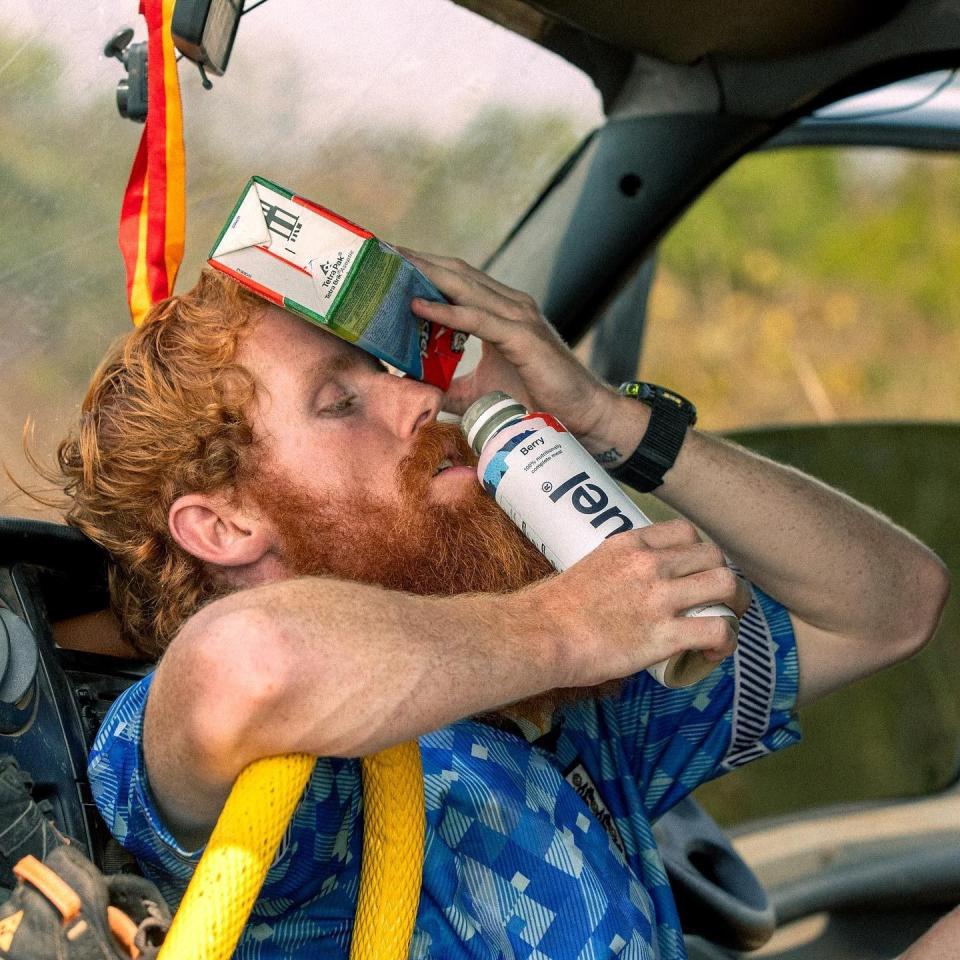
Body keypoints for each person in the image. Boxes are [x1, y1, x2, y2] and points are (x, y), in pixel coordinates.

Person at [49, 253, 947, 958]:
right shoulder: (252, 774)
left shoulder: (545, 710)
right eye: (339, 402)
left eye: (388, 370)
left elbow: (891, 606)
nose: (421, 398)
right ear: (222, 524)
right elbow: (250, 668)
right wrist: (564, 625)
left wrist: (606, 419)